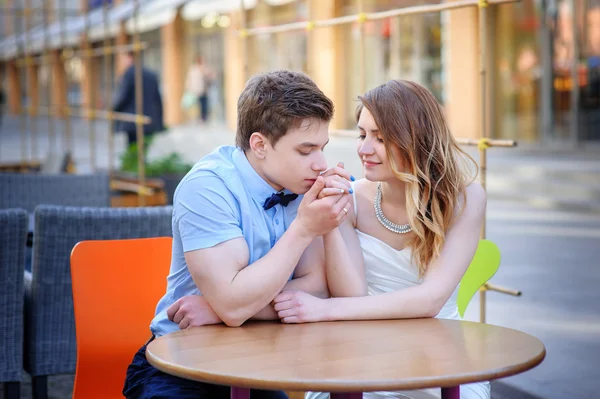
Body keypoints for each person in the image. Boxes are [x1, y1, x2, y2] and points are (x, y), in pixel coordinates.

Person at [122, 70, 353, 399]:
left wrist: (217, 311)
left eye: (322, 148)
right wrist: (303, 229)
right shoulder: (207, 187)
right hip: (180, 363)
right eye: (305, 151)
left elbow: (316, 287)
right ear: (259, 145)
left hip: (260, 361)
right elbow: (232, 304)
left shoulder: (304, 186)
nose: (320, 164)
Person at [272, 80, 490, 399]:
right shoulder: (353, 197)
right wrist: (334, 217)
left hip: (437, 355)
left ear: (415, 139)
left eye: (381, 138)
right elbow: (353, 293)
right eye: (362, 135)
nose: (363, 149)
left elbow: (430, 300)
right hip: (360, 352)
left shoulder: (465, 199)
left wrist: (324, 310)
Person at [112, 51, 165, 147]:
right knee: (143, 150)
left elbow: (123, 97)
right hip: (149, 120)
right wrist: (160, 122)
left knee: (133, 151)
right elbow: (158, 100)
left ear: (129, 57)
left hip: (134, 120)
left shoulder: (129, 74)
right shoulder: (151, 74)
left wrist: (114, 110)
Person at [185, 56, 215, 123]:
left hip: (204, 91)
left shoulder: (205, 69)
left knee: (204, 105)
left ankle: (203, 118)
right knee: (197, 105)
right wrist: (188, 88)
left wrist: (208, 74)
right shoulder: (193, 69)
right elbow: (189, 80)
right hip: (196, 91)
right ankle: (198, 118)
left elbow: (211, 79)